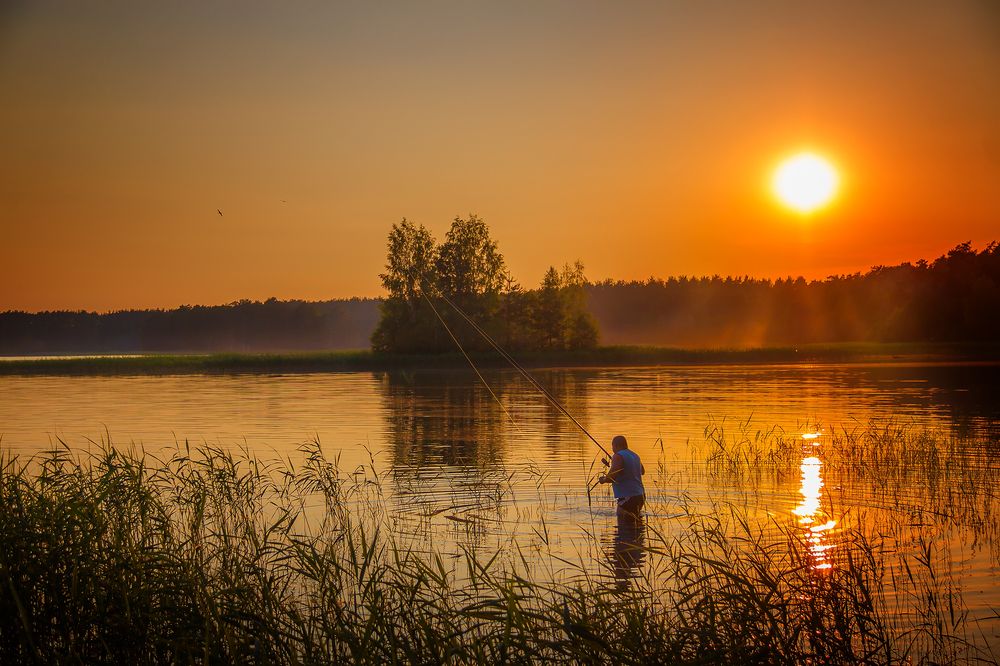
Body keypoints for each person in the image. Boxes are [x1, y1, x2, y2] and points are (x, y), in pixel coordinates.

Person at [598, 435, 645, 520]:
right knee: (635, 524)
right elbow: (642, 471)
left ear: (615, 445)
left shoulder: (618, 456)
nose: (612, 449)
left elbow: (611, 477)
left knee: (623, 523)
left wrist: (603, 480)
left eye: (612, 446)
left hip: (628, 497)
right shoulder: (635, 455)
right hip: (640, 495)